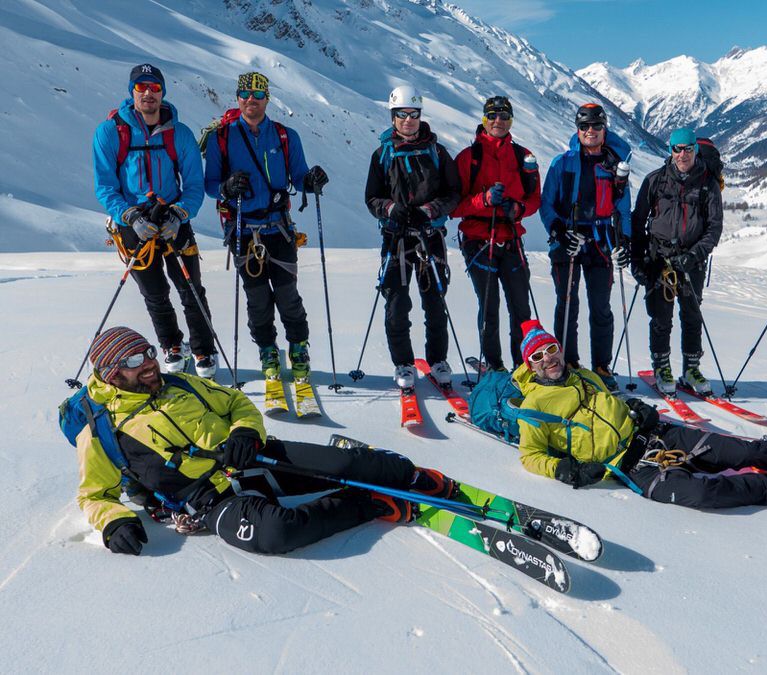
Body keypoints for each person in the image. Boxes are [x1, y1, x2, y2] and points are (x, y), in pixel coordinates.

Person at [73, 326, 455, 556]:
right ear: (111, 373)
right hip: (209, 499)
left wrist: (244, 432)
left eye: (149, 352)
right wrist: (113, 523)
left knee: (352, 465)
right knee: (279, 533)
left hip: (255, 458)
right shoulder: (100, 429)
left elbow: (237, 402)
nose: (150, 362)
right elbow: (94, 496)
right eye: (136, 359)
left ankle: (407, 475)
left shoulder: (180, 383)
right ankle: (371, 503)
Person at [509, 320, 767, 510]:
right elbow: (530, 456)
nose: (548, 359)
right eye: (537, 357)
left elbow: (610, 405)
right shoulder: (534, 407)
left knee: (742, 450)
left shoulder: (583, 375)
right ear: (529, 364)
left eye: (551, 349)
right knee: (702, 495)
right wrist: (562, 468)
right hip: (629, 467)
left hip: (658, 436)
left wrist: (637, 410)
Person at [202, 72, 330, 381]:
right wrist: (227, 187)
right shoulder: (223, 137)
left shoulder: (286, 137)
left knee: (288, 296)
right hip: (243, 229)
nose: (251, 100)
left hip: (279, 228)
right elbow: (210, 185)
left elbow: (298, 176)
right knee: (257, 298)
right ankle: (267, 350)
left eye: (257, 94)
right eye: (245, 94)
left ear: (267, 99)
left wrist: (310, 182)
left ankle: (299, 347)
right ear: (238, 98)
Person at [92, 63, 216, 378]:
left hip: (173, 219)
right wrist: (130, 215)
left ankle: (203, 350)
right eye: (142, 87)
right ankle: (172, 345)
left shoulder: (180, 134)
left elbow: (194, 186)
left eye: (155, 87)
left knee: (191, 290)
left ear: (162, 92)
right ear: (132, 91)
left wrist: (179, 213)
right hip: (133, 225)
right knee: (154, 292)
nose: (149, 93)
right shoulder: (110, 131)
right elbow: (105, 186)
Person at [364, 83, 462, 388]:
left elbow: (454, 192)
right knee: (396, 304)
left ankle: (437, 360)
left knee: (434, 302)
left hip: (429, 236)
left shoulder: (436, 151)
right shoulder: (383, 154)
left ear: (420, 115)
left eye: (413, 114)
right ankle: (403, 363)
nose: (408, 120)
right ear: (393, 116)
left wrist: (429, 210)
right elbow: (371, 198)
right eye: (402, 114)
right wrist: (391, 209)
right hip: (396, 238)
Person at [539, 103, 633, 390]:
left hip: (600, 244)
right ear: (577, 130)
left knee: (601, 307)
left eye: (595, 126)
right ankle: (568, 362)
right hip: (567, 241)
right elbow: (547, 204)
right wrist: (557, 229)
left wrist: (624, 239)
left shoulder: (615, 166)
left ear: (604, 129)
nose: (590, 131)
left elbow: (623, 208)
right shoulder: (562, 163)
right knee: (567, 305)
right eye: (584, 126)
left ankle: (602, 367)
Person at [451, 95, 541, 372]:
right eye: (492, 116)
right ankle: (494, 364)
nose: (498, 121)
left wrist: (518, 207)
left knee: (521, 308)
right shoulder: (469, 158)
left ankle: (523, 364)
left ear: (511, 119)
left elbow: (535, 199)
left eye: (503, 116)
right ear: (484, 119)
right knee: (490, 307)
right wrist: (484, 200)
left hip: (511, 239)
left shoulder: (522, 156)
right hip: (479, 240)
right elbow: (454, 206)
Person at [630, 128, 723, 395]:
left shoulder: (708, 184)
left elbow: (714, 228)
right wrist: (637, 261)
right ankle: (662, 366)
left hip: (692, 260)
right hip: (659, 258)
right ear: (670, 150)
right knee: (661, 316)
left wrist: (694, 255)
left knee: (692, 315)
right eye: (677, 149)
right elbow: (638, 223)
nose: (682, 154)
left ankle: (691, 368)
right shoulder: (655, 181)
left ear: (696, 149)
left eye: (688, 149)